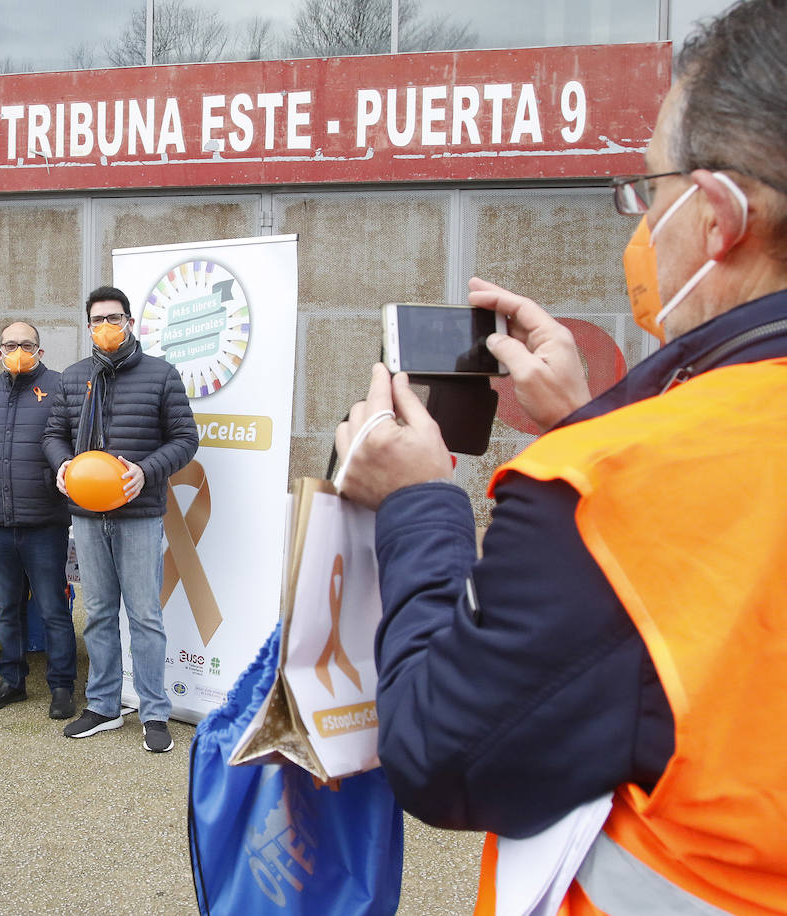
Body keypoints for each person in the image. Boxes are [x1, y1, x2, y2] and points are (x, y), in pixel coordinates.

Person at [334, 1, 787, 911]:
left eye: (650, 190)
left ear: (718, 217)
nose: (642, 221)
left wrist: (422, 502)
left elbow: (441, 753)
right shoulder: (631, 459)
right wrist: (595, 421)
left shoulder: (606, 494)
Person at [43, 286, 198, 753]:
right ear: (88, 326)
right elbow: (53, 435)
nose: (106, 327)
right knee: (98, 614)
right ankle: (104, 705)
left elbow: (185, 439)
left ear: (130, 322)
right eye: (97, 320)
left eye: (114, 318)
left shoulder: (160, 375)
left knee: (146, 616)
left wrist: (144, 471)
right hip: (87, 515)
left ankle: (154, 711)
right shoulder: (73, 378)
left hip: (139, 513)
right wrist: (63, 465)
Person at [0, 321, 77, 720]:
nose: (19, 350)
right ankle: (11, 681)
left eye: (27, 344)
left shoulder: (58, 386)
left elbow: (65, 443)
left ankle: (62, 686)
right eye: (10, 344)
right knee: (7, 608)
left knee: (53, 607)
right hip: (0, 523)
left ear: (41, 350)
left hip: (45, 521)